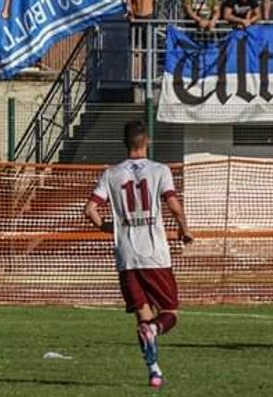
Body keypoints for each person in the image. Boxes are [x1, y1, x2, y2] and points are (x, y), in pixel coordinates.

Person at [83, 121, 194, 389]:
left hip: (126, 256)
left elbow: (90, 210)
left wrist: (110, 227)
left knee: (143, 315)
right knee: (170, 312)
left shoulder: (111, 174)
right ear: (147, 141)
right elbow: (173, 205)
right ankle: (155, 331)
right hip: (154, 252)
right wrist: (184, 229)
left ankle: (154, 371)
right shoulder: (160, 170)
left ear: (125, 142)